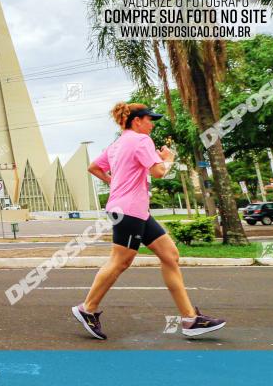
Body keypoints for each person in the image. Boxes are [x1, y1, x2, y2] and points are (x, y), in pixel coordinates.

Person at [73, 103, 226, 339]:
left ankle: (190, 318)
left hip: (137, 211)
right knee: (120, 262)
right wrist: (170, 159)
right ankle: (87, 308)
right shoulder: (141, 141)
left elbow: (94, 167)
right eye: (149, 119)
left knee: (170, 255)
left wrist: (113, 183)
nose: (152, 124)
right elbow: (159, 172)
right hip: (129, 210)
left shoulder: (116, 144)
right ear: (137, 121)